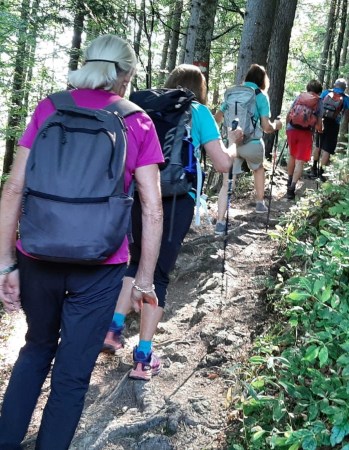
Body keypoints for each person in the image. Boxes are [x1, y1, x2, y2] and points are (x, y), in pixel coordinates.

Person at [0, 35, 164, 450]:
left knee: (36, 348)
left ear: (87, 63)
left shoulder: (49, 108)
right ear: (126, 74)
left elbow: (14, 188)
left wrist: (6, 262)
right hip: (102, 264)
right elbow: (152, 208)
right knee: (72, 373)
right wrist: (144, 279)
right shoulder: (137, 120)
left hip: (37, 255)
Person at [102, 64, 241, 381]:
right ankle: (143, 359)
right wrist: (233, 144)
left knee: (135, 261)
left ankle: (112, 329)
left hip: (139, 193)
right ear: (199, 88)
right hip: (177, 199)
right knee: (159, 274)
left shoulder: (142, 108)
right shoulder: (198, 111)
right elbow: (222, 163)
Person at [214, 64, 283, 234]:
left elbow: (217, 118)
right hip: (252, 143)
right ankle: (260, 203)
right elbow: (266, 127)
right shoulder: (260, 95)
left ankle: (220, 222)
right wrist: (277, 125)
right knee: (258, 168)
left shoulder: (232, 93)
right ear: (263, 80)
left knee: (226, 184)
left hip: (232, 144)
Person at [286, 79, 323, 200]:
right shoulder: (318, 101)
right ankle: (291, 189)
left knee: (292, 156)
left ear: (308, 88)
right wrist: (320, 129)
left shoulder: (300, 97)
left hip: (292, 129)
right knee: (300, 161)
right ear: (319, 91)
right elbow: (318, 125)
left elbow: (289, 114)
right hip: (306, 133)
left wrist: (287, 127)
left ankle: (289, 180)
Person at [311, 78, 349, 181]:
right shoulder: (346, 98)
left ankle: (313, 169)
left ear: (335, 85)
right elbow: (347, 115)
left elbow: (317, 105)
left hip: (321, 121)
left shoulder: (326, 92)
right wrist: (348, 121)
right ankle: (321, 173)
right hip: (334, 124)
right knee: (327, 149)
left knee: (318, 145)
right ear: (345, 88)